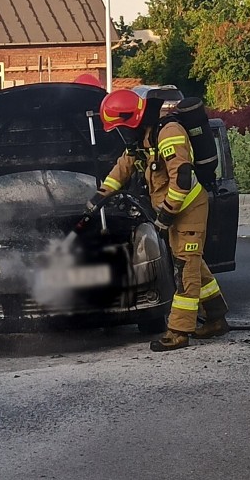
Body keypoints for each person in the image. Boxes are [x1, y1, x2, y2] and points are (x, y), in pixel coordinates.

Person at [86, 89, 230, 352]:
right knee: (193, 263)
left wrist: (166, 214)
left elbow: (182, 177)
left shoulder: (168, 133)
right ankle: (216, 316)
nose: (119, 133)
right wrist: (99, 196)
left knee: (184, 266)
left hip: (189, 207)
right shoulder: (141, 139)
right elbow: (123, 168)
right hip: (173, 208)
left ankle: (178, 331)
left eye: (119, 126)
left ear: (130, 120)